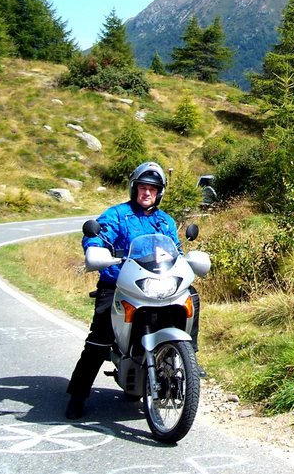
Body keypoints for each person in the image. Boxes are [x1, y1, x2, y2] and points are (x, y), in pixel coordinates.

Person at [64, 161, 200, 420]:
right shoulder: (117, 215)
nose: (146, 193)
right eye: (142, 187)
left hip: (157, 284)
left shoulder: (165, 221)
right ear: (134, 188)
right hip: (120, 284)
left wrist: (186, 263)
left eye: (152, 188)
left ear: (159, 193)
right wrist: (95, 248)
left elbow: (177, 253)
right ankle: (77, 395)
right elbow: (98, 235)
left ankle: (189, 353)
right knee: (100, 337)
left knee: (191, 296)